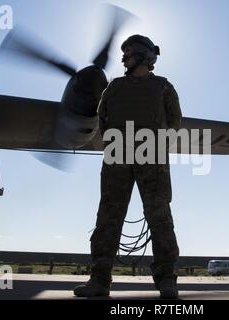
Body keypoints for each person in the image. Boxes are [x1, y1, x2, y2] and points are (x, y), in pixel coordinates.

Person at [74, 35, 182, 299]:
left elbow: (175, 123)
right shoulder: (113, 88)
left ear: (145, 56)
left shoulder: (164, 87)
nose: (124, 57)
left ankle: (167, 280)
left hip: (151, 155)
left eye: (130, 52)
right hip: (117, 155)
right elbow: (104, 121)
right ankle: (99, 280)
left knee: (159, 217)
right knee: (108, 217)